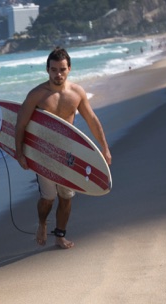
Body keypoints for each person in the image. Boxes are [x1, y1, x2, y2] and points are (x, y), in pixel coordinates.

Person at [15, 47, 111, 249]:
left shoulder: (76, 93)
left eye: (62, 69)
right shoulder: (37, 95)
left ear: (69, 69)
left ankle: (60, 235)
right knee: (48, 198)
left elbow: (92, 120)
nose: (58, 74)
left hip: (68, 153)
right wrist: (20, 153)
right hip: (44, 154)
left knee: (66, 197)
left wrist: (104, 148)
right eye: (53, 70)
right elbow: (20, 124)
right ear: (47, 70)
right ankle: (42, 223)